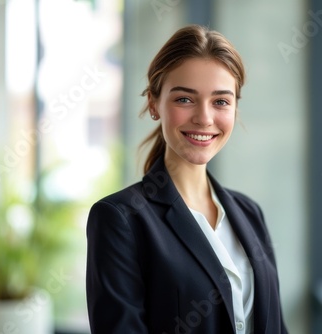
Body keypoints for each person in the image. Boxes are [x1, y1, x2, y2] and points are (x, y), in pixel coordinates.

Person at [86, 24, 288, 334]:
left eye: (220, 101)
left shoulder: (250, 213)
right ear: (154, 103)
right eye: (184, 99)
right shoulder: (120, 219)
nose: (204, 118)